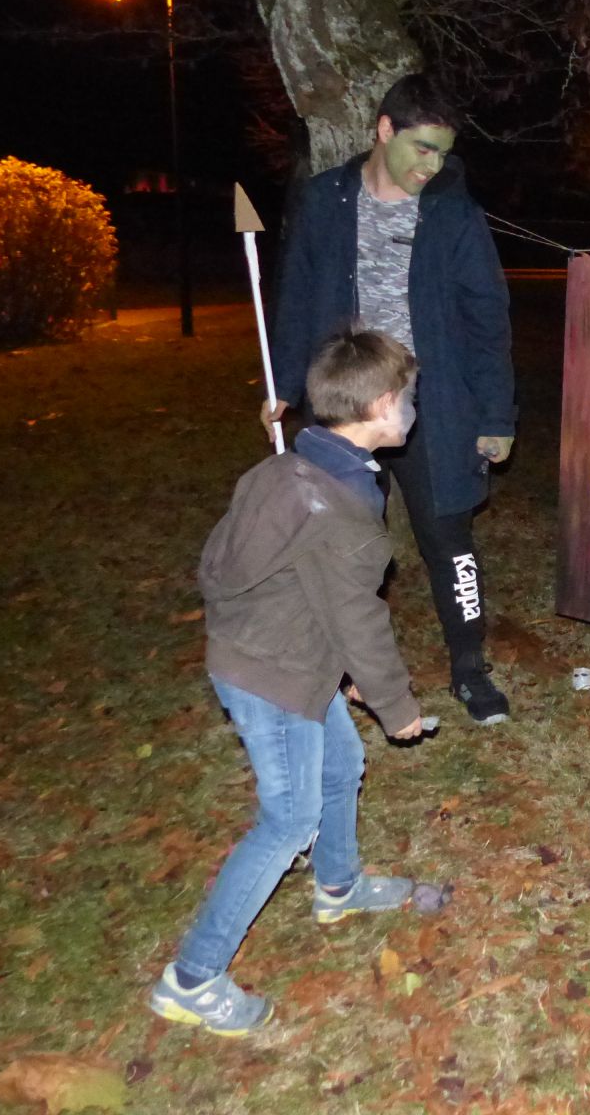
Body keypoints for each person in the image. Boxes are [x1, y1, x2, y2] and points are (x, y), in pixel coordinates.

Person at [150, 330, 427, 1036]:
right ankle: (192, 978)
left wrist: (342, 674)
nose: (413, 409)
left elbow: (299, 585)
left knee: (341, 764)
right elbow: (359, 615)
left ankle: (338, 885)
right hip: (272, 672)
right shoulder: (338, 507)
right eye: (409, 398)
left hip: (278, 652)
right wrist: (393, 702)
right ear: (382, 405)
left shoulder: (288, 470)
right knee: (287, 820)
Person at [264, 73, 516, 726]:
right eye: (421, 148)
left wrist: (495, 414)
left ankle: (470, 670)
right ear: (384, 130)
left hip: (431, 404)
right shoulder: (324, 200)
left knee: (449, 538)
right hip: (344, 402)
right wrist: (284, 386)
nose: (431, 166)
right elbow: (296, 297)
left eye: (442, 153)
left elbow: (487, 319)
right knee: (329, 538)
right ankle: (333, 670)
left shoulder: (454, 213)